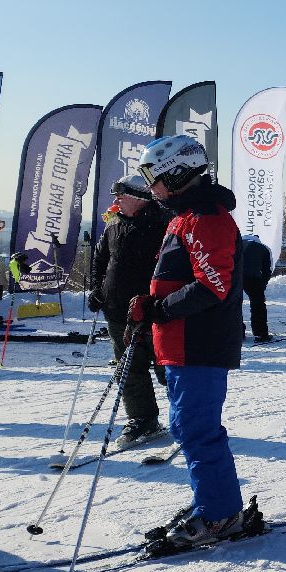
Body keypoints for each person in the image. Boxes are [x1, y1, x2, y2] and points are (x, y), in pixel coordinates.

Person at [130, 134, 253, 547]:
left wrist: (158, 309)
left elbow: (213, 285)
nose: (150, 187)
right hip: (181, 342)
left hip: (198, 343)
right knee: (187, 427)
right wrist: (151, 304)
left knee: (197, 430)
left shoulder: (204, 216)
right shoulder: (184, 216)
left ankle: (220, 515)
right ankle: (214, 503)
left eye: (154, 177)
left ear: (178, 174)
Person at [88, 174, 167, 446]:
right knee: (129, 369)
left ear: (139, 197)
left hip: (155, 312)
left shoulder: (163, 224)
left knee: (168, 369)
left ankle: (191, 418)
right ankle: (143, 419)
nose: (116, 200)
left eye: (121, 195)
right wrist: (98, 290)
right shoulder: (114, 225)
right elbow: (100, 260)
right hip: (118, 311)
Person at [239, 234, 274, 343]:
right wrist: (262, 285)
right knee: (258, 306)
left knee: (234, 305)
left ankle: (238, 333)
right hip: (254, 278)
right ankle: (261, 334)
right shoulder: (263, 248)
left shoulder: (237, 245)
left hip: (236, 277)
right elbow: (267, 270)